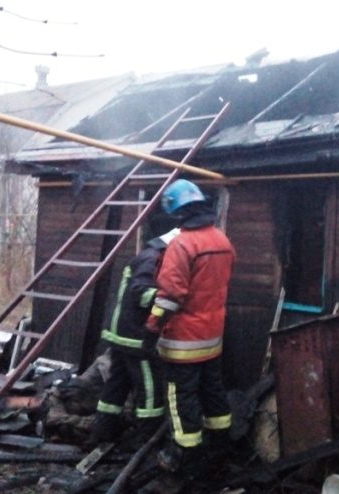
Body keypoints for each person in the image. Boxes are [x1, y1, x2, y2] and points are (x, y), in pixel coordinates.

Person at [143, 179, 236, 474]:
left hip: (182, 342)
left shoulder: (182, 245)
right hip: (212, 338)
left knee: (181, 396)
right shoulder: (222, 241)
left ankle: (183, 453)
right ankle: (220, 445)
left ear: (178, 211)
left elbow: (169, 297)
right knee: (213, 390)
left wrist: (152, 327)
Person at [86, 228, 180, 450]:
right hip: (136, 337)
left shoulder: (148, 255)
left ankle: (102, 432)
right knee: (150, 387)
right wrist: (171, 298)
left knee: (116, 385)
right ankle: (147, 439)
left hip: (121, 333)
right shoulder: (153, 259)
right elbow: (140, 292)